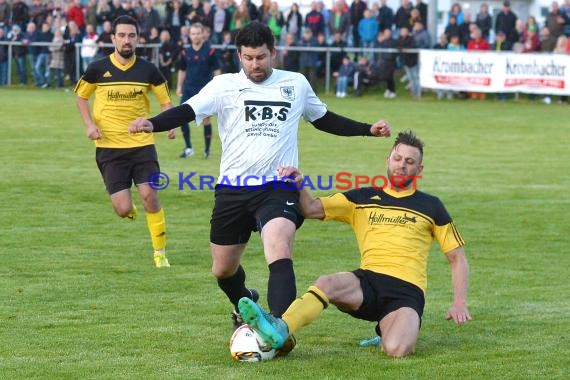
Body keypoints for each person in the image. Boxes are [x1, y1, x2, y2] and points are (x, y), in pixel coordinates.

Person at [128, 21, 392, 350]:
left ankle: (279, 328)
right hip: (233, 189)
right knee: (223, 270)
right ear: (239, 55)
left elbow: (323, 119)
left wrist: (369, 129)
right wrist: (150, 123)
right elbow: (187, 110)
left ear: (274, 53)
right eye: (249, 58)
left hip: (278, 186)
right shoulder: (224, 86)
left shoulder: (295, 84)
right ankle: (246, 300)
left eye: (262, 57)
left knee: (279, 247)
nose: (256, 64)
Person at [238, 130, 472, 358]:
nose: (402, 165)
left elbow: (457, 257)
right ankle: (280, 328)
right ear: (388, 160)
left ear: (419, 169)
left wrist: (459, 302)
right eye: (398, 158)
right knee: (326, 282)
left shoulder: (432, 206)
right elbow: (311, 209)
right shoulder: (361, 198)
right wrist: (298, 183)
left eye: (410, 162)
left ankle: (388, 328)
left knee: (397, 350)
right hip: (367, 283)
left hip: (407, 292)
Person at [74, 15, 174, 268]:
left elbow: (165, 101)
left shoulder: (148, 70)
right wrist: (89, 125)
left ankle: (160, 252)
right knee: (122, 209)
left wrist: (168, 124)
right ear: (113, 38)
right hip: (108, 148)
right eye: (122, 35)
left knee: (150, 195)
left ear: (138, 39)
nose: (126, 40)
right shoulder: (97, 68)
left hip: (142, 146)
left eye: (131, 35)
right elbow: (81, 97)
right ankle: (129, 209)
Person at [176, 22, 221, 159]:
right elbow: (182, 70)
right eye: (193, 33)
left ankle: (207, 151)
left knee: (206, 120)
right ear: (189, 35)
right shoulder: (185, 52)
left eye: (198, 33)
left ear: (203, 34)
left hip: (205, 91)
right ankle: (189, 147)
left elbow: (217, 70)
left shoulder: (210, 51)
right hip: (188, 89)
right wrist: (179, 86)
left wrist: (218, 87)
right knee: (182, 118)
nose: (196, 36)